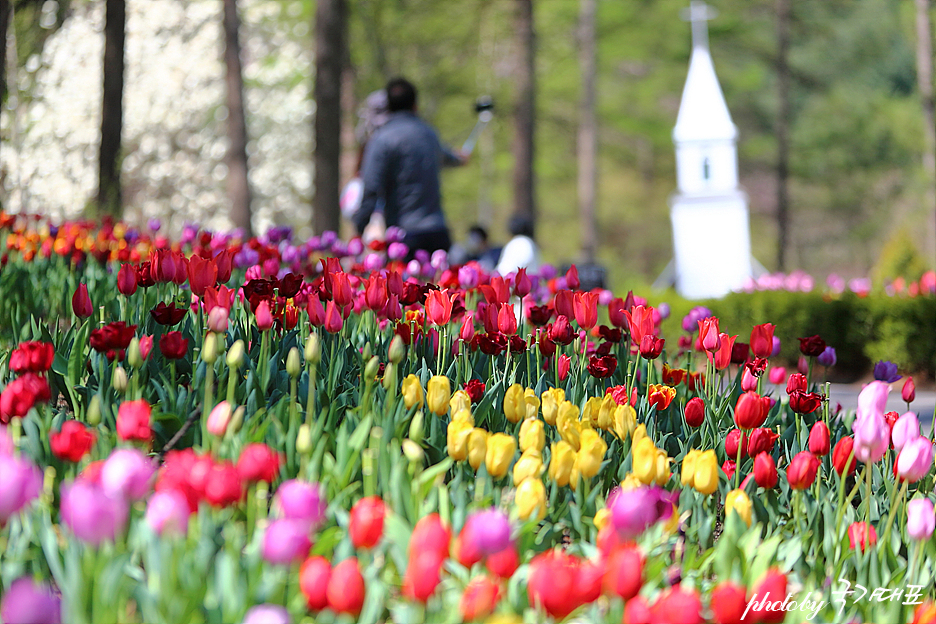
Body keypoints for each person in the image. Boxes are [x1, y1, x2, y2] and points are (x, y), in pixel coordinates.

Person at [353, 77, 467, 259]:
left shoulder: (382, 139)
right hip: (438, 233)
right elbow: (448, 157)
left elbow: (371, 187)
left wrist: (360, 227)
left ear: (388, 106)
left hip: (403, 236)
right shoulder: (429, 134)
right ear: (415, 104)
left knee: (403, 287)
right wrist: (460, 159)